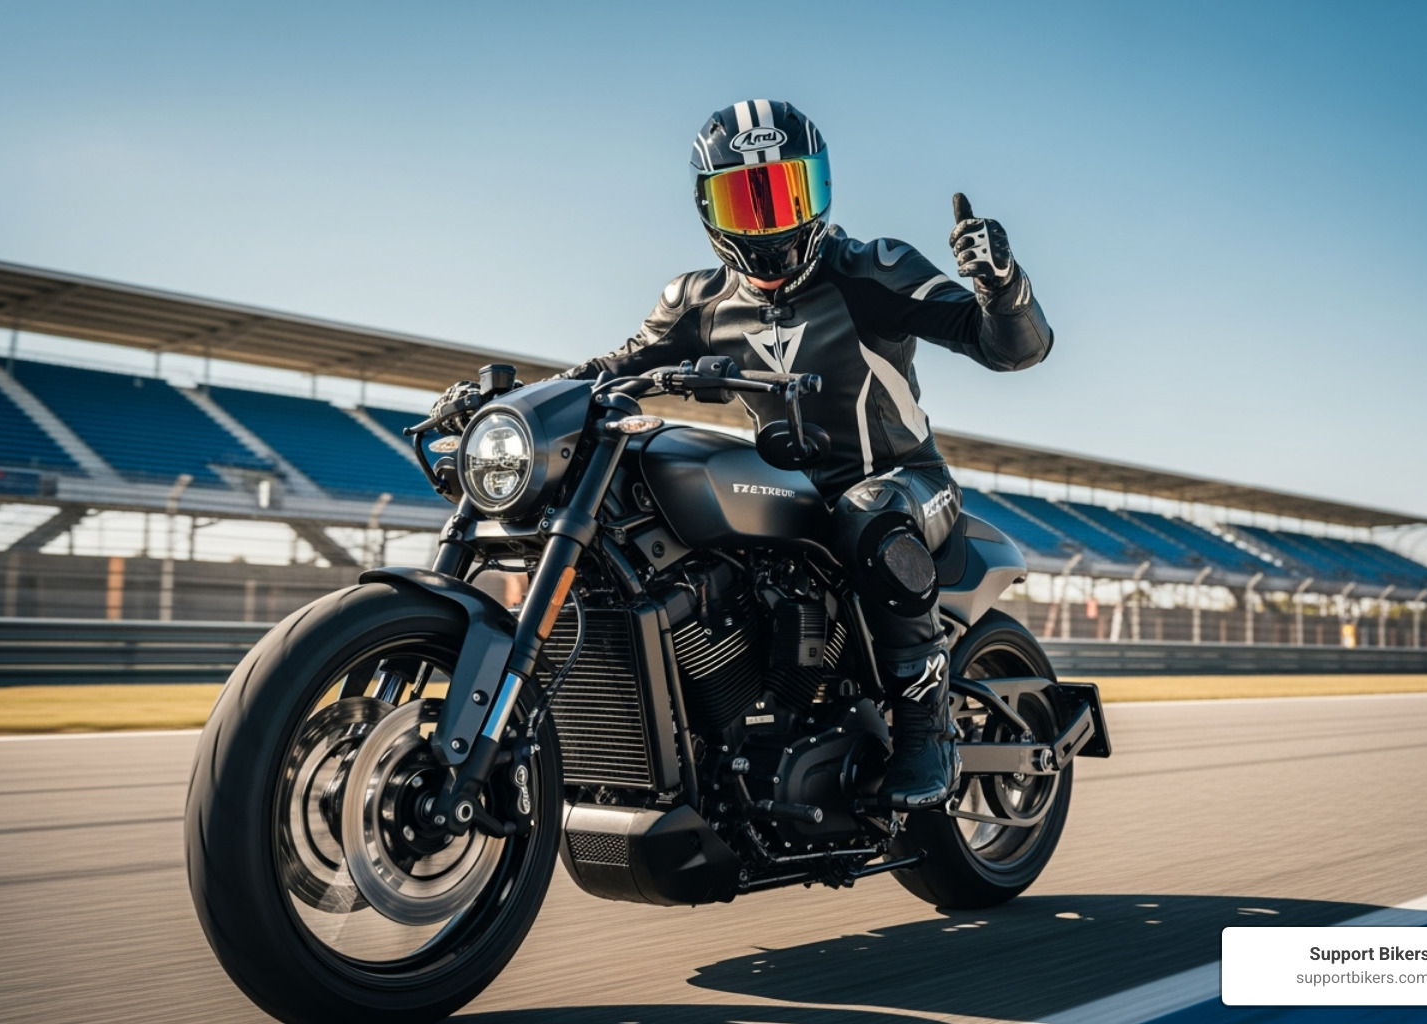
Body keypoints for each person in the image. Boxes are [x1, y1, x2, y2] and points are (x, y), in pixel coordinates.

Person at [434, 99, 1053, 809]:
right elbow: (608, 369)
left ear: (820, 190)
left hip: (902, 481)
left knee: (869, 514)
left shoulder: (873, 271)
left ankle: (926, 729)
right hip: (786, 490)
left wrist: (1003, 286)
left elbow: (1011, 348)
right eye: (743, 200)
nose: (767, 222)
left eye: (785, 195)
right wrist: (510, 406)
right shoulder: (694, 302)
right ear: (709, 207)